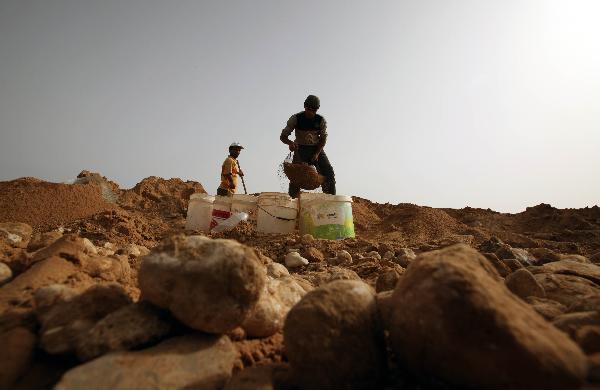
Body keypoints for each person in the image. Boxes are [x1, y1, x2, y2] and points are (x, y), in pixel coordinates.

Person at [280, 94, 336, 198]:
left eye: (313, 110)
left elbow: (323, 140)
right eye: (308, 109)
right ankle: (293, 202)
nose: (310, 112)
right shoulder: (296, 118)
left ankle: (331, 201)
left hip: (316, 148)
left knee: (329, 172)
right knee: (295, 177)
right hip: (300, 148)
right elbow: (283, 136)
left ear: (317, 109)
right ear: (304, 107)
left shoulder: (321, 120)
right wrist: (290, 143)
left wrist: (317, 153)